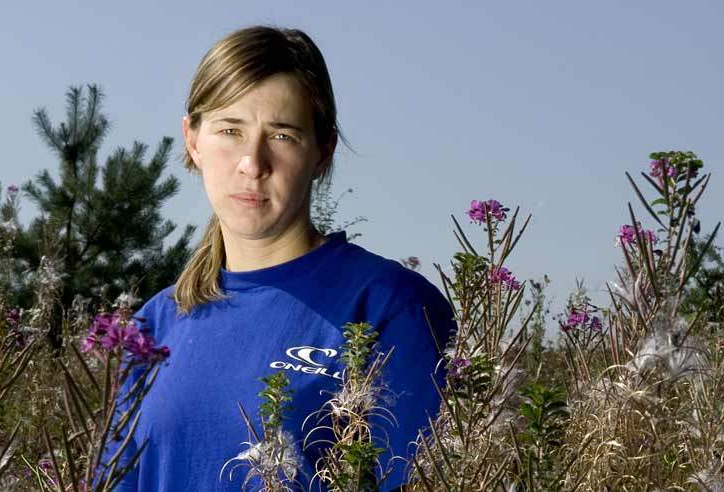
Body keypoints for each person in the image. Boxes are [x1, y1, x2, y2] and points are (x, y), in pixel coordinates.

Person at [96, 25, 457, 492]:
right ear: (192, 139)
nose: (252, 162)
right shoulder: (155, 327)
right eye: (230, 130)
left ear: (322, 150)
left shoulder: (391, 309)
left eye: (283, 135)